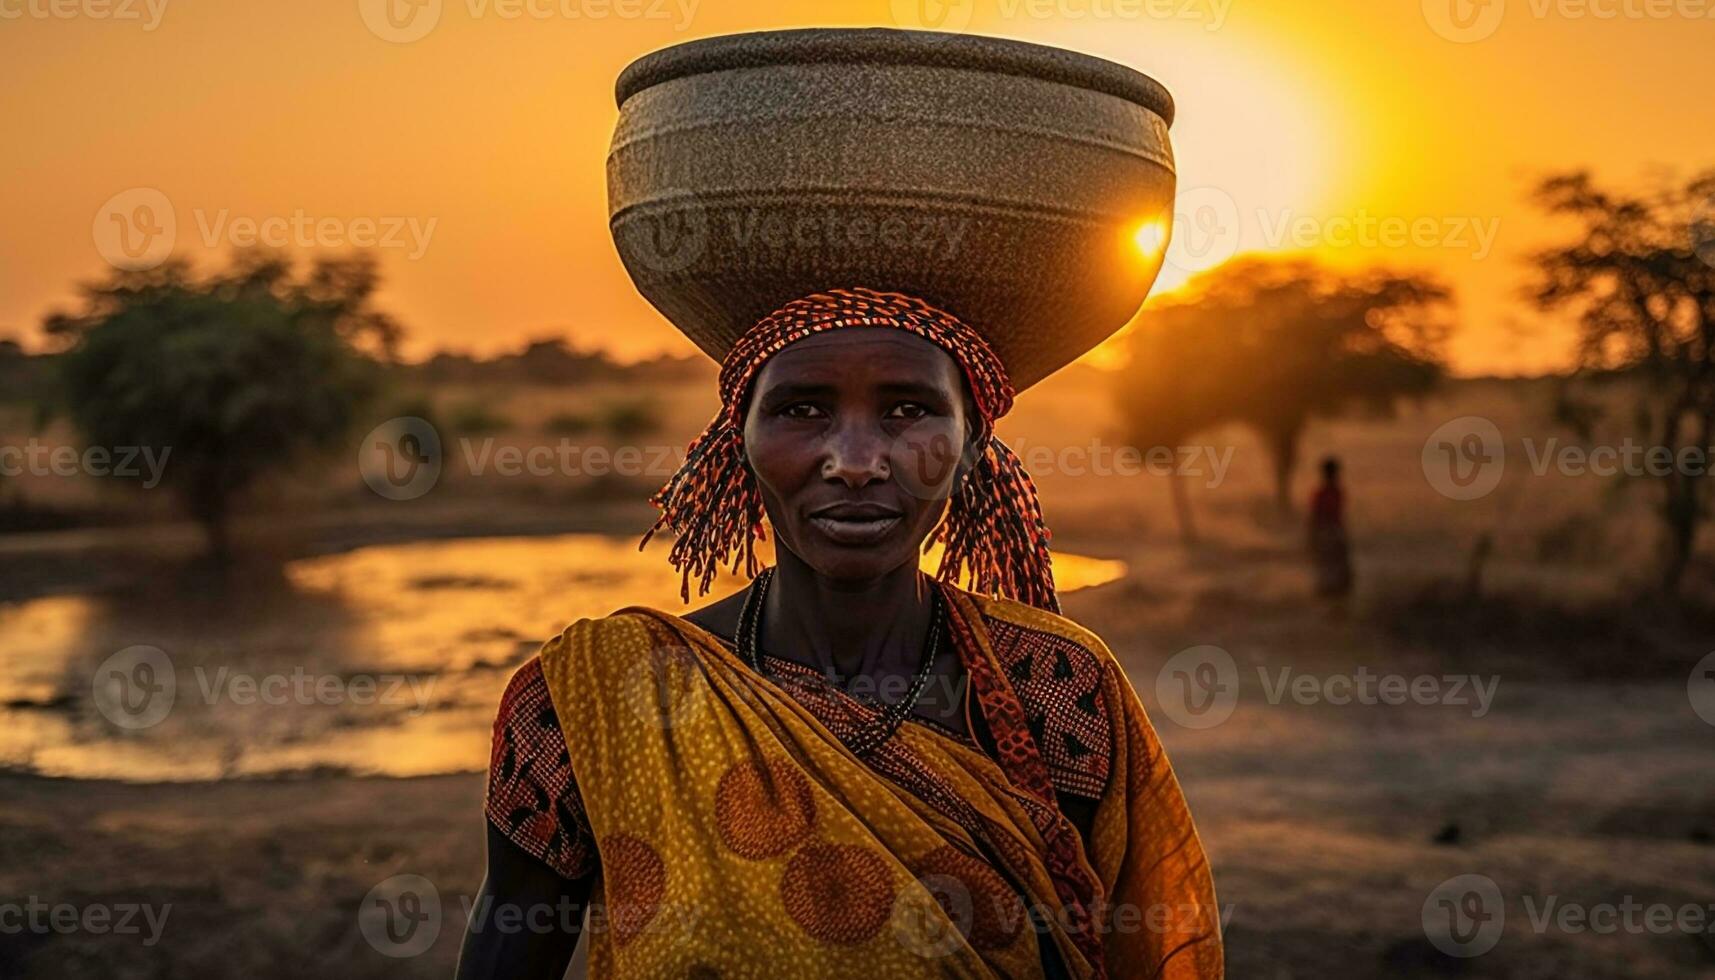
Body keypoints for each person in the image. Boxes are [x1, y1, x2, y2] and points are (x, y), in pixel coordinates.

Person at [457, 288, 1222, 978]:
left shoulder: (1052, 686)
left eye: (907, 410)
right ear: (738, 440)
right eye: (801, 409)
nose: (855, 462)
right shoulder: (592, 699)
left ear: (972, 450)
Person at [1308, 455, 1353, 598]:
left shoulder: (1330, 492)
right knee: (1332, 565)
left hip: (1330, 532)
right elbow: (1318, 516)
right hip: (1329, 532)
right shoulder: (1328, 493)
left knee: (1332, 565)